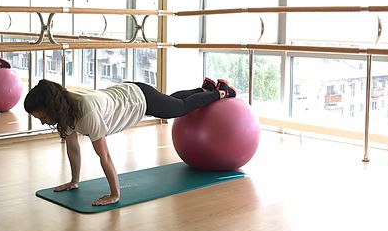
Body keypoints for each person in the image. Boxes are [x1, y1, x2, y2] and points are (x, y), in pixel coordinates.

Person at [24, 77, 237, 206]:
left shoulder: (85, 112)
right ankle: (205, 89)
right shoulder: (65, 110)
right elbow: (73, 148)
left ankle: (221, 92)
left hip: (137, 98)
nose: (42, 122)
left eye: (42, 116)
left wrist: (115, 194)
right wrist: (74, 181)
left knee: (179, 108)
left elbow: (104, 156)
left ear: (51, 108)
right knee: (171, 101)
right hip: (127, 93)